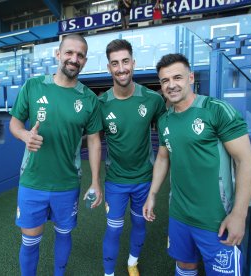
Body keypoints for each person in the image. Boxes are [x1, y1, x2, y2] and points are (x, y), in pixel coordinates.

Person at [143, 53, 251, 275]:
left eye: (177, 77)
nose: (171, 85)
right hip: (179, 215)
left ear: (191, 78)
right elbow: (163, 157)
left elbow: (245, 162)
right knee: (185, 267)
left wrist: (239, 214)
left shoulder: (216, 110)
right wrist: (152, 193)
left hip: (216, 218)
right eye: (165, 80)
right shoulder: (165, 119)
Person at [9, 34, 103, 276]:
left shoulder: (89, 99)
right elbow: (15, 124)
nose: (74, 59)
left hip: (67, 183)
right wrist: (24, 136)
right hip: (33, 180)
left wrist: (94, 181)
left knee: (64, 234)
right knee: (30, 241)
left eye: (80, 55)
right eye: (69, 53)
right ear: (58, 54)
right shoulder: (33, 86)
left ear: (84, 61)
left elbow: (93, 140)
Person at [99, 39, 166, 276]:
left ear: (133, 63)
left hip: (144, 180)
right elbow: (92, 140)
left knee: (139, 224)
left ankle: (131, 263)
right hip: (116, 180)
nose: (121, 68)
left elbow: (169, 128)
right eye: (115, 63)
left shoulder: (152, 99)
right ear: (109, 68)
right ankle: (108, 273)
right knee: (114, 229)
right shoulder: (102, 104)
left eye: (125, 61)